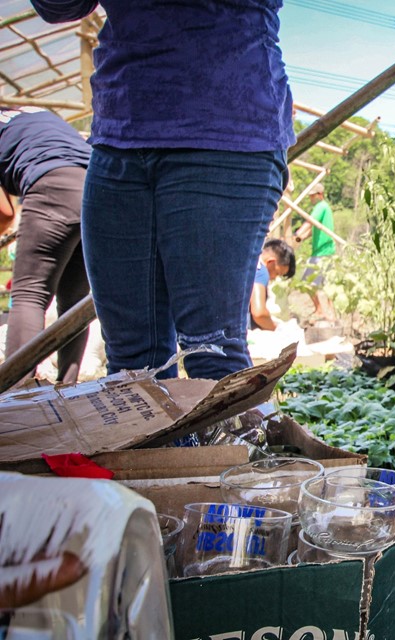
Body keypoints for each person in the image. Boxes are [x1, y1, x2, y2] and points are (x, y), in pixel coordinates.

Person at [30, 1, 294, 381]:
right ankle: (158, 442)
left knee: (212, 351)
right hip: (118, 132)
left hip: (223, 129)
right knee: (131, 364)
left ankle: (228, 442)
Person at [0, 106, 91, 383]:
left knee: (30, 295)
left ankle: (15, 396)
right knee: (74, 304)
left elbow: (4, 212)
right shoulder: (31, 114)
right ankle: (68, 390)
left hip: (51, 183)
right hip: (98, 184)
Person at [294, 183, 336, 321]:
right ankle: (323, 311)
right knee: (321, 284)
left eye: (313, 195)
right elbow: (314, 229)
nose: (311, 198)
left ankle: (325, 312)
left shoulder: (321, 207)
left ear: (320, 195)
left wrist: (299, 232)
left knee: (309, 283)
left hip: (323, 252)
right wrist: (302, 237)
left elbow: (310, 222)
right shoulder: (323, 208)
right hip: (321, 251)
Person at [249, 238, 295, 331]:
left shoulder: (248, 261)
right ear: (271, 262)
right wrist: (275, 328)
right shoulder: (261, 270)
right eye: (277, 273)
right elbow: (259, 313)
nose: (274, 278)